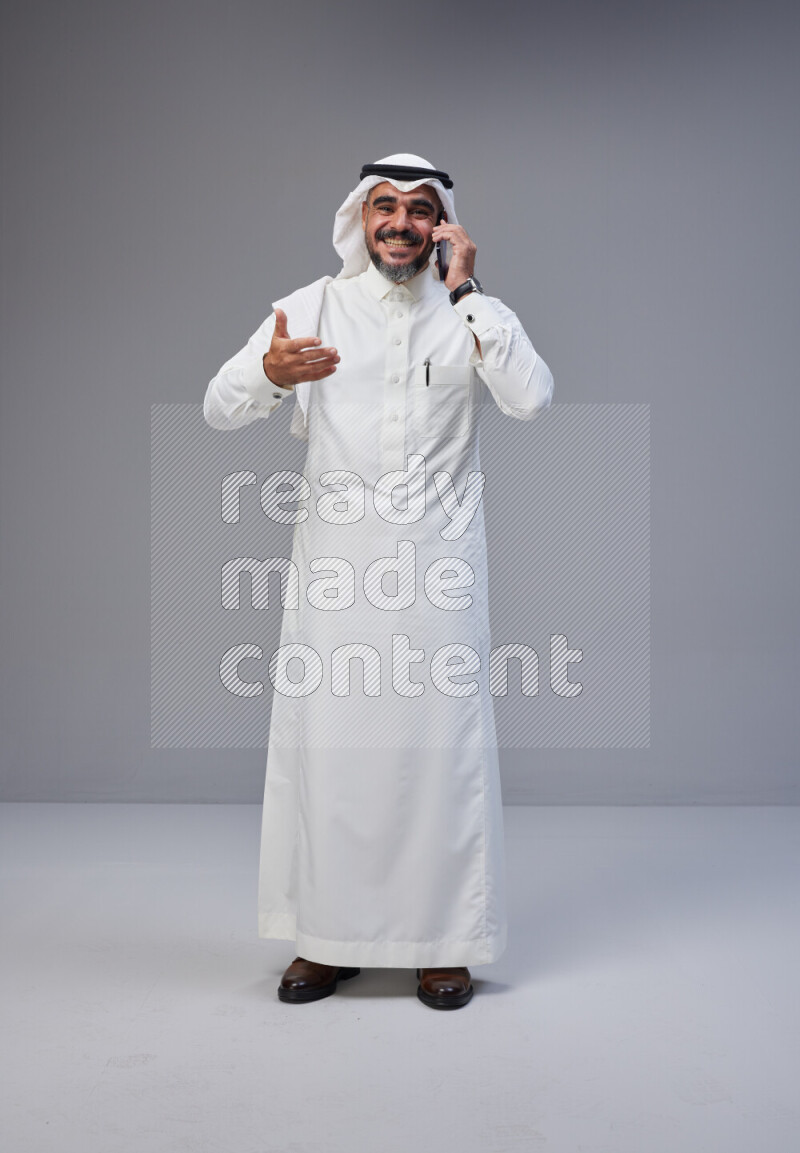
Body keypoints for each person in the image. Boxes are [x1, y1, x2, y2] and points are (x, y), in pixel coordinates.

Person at [203, 153, 553, 1010]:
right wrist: (267, 377)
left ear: (444, 224)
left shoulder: (470, 315)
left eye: (420, 209)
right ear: (360, 218)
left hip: (437, 568)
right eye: (384, 206)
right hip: (335, 571)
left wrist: (470, 294)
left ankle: (445, 943)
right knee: (334, 755)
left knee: (440, 755)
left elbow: (532, 397)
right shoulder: (313, 306)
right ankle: (326, 941)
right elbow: (218, 403)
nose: (400, 222)